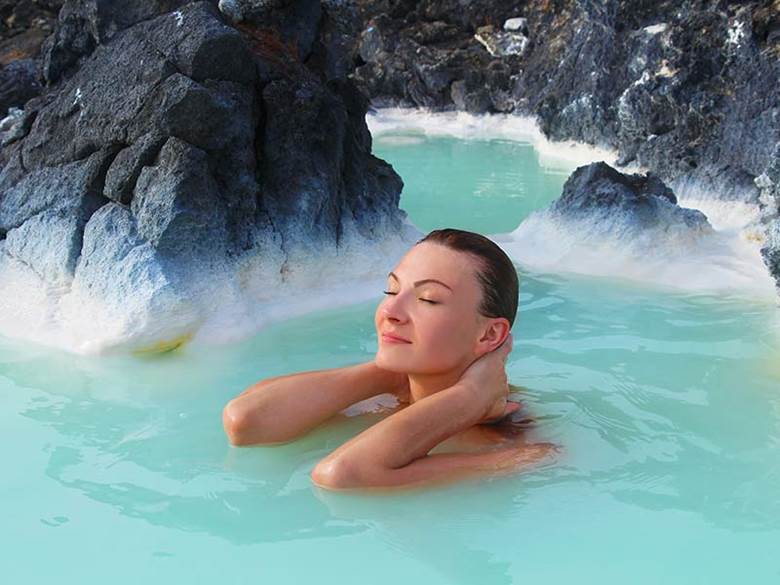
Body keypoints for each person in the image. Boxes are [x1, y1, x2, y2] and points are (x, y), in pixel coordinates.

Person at [222, 228, 557, 491]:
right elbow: (246, 421)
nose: (391, 312)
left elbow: (342, 475)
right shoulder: (383, 395)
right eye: (392, 291)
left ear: (489, 335)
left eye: (428, 299)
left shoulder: (517, 447)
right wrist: (386, 373)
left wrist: (468, 399)